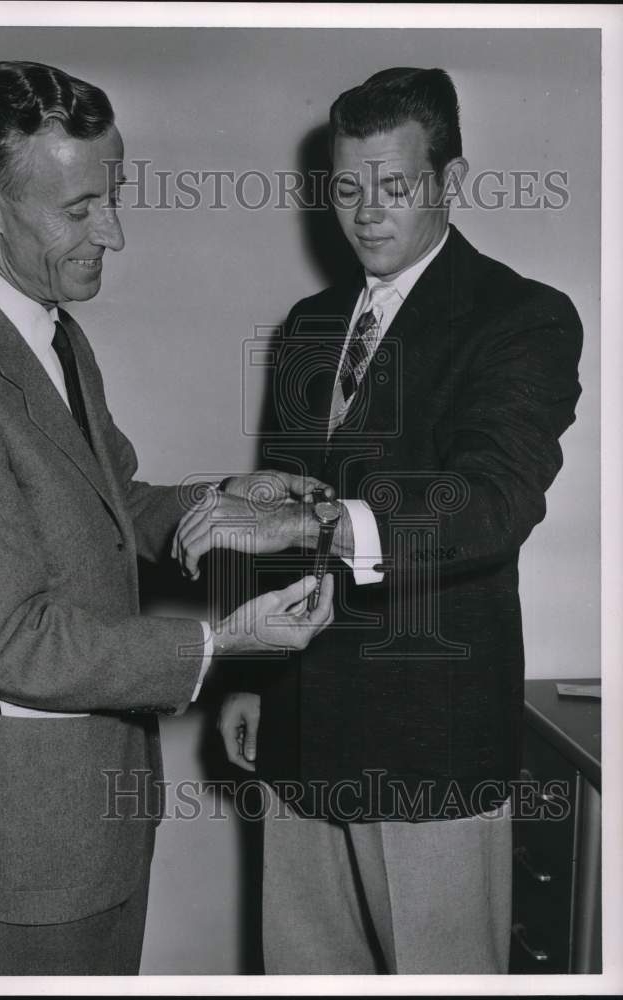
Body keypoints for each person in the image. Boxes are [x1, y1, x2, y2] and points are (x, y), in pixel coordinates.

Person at [0, 60, 334, 976]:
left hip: (101, 813)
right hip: (30, 852)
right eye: (78, 211)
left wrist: (224, 502)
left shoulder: (50, 331)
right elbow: (7, 640)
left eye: (112, 198)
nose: (112, 233)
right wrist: (216, 646)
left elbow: (109, 501)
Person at [174, 67, 583, 973]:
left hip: (430, 746)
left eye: (393, 187)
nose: (364, 213)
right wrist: (252, 676)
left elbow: (491, 500)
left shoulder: (524, 319)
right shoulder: (311, 325)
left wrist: (316, 532)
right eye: (346, 188)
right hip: (301, 736)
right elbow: (276, 497)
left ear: (452, 180)